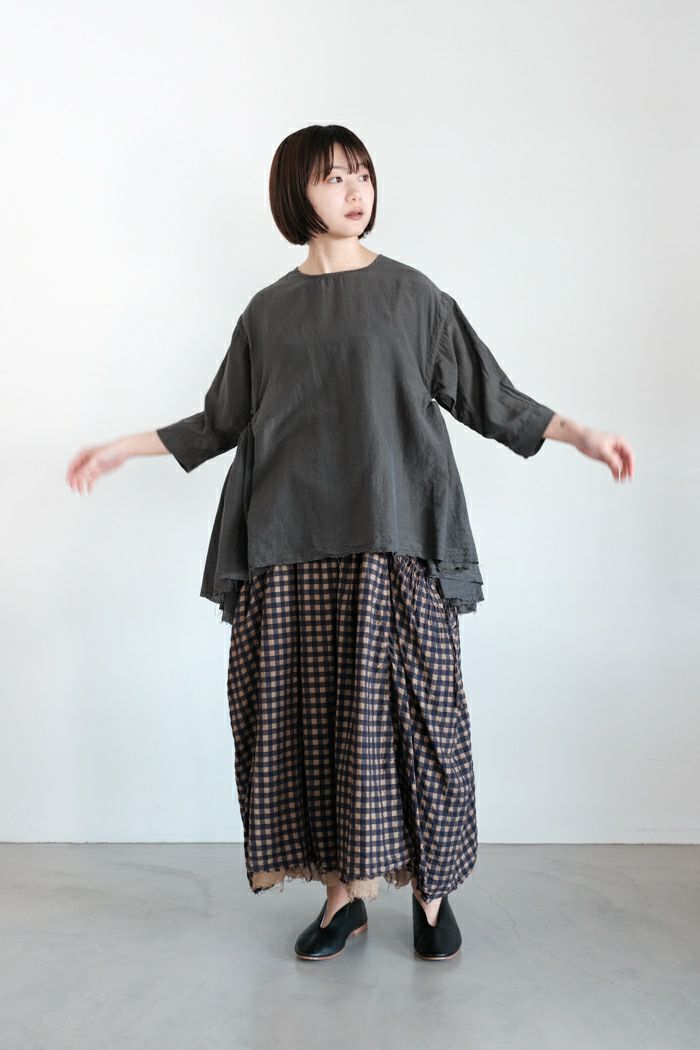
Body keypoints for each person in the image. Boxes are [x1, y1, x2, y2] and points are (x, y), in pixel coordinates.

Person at [66, 124, 634, 963]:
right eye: (334, 177)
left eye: (362, 174)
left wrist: (579, 434)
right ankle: (344, 898)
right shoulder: (267, 313)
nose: (355, 190)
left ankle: (432, 897)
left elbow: (490, 395)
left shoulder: (412, 296)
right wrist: (124, 448)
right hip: (289, 542)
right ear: (296, 193)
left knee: (420, 719)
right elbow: (219, 421)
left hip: (394, 538)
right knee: (316, 723)